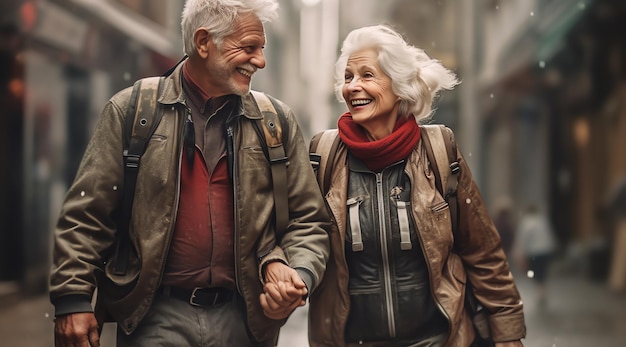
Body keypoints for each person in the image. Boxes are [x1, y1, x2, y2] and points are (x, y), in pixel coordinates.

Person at [49, 1, 330, 346]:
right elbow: (87, 214)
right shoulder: (132, 111)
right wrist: (72, 298)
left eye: (263, 49)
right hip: (154, 316)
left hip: (245, 320)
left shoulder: (275, 121)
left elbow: (309, 220)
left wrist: (298, 273)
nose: (261, 61)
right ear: (202, 42)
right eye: (249, 48)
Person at [307, 25, 526, 347]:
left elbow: (482, 251)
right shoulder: (323, 155)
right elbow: (301, 234)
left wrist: (507, 333)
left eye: (367, 75)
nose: (353, 86)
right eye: (349, 77)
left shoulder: (439, 148)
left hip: (438, 339)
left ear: (399, 86)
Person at [512, 204, 557, 307]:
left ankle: (540, 291)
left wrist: (519, 252)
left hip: (534, 251)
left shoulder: (526, 222)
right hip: (545, 250)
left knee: (535, 271)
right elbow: (549, 235)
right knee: (542, 270)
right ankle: (542, 290)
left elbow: (523, 238)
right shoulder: (542, 220)